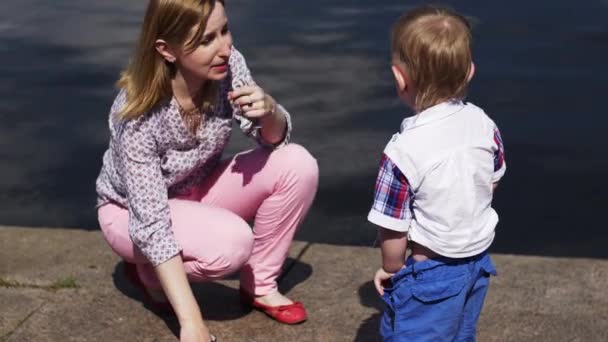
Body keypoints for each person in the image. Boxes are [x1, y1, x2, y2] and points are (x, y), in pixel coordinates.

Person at [95, 0, 319, 340]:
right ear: (166, 50)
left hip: (196, 188)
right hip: (130, 214)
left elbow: (271, 140)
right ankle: (150, 276)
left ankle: (260, 283)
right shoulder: (137, 114)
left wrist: (269, 111)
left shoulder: (228, 65)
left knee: (298, 164)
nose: (224, 48)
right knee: (233, 245)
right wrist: (192, 324)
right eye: (205, 40)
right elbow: (152, 223)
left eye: (224, 30)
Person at [368, 5, 506, 341]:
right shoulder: (483, 123)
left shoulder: (403, 151)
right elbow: (493, 178)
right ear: (469, 72)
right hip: (477, 262)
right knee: (461, 333)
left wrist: (392, 269)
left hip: (431, 273)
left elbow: (392, 225)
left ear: (400, 78)